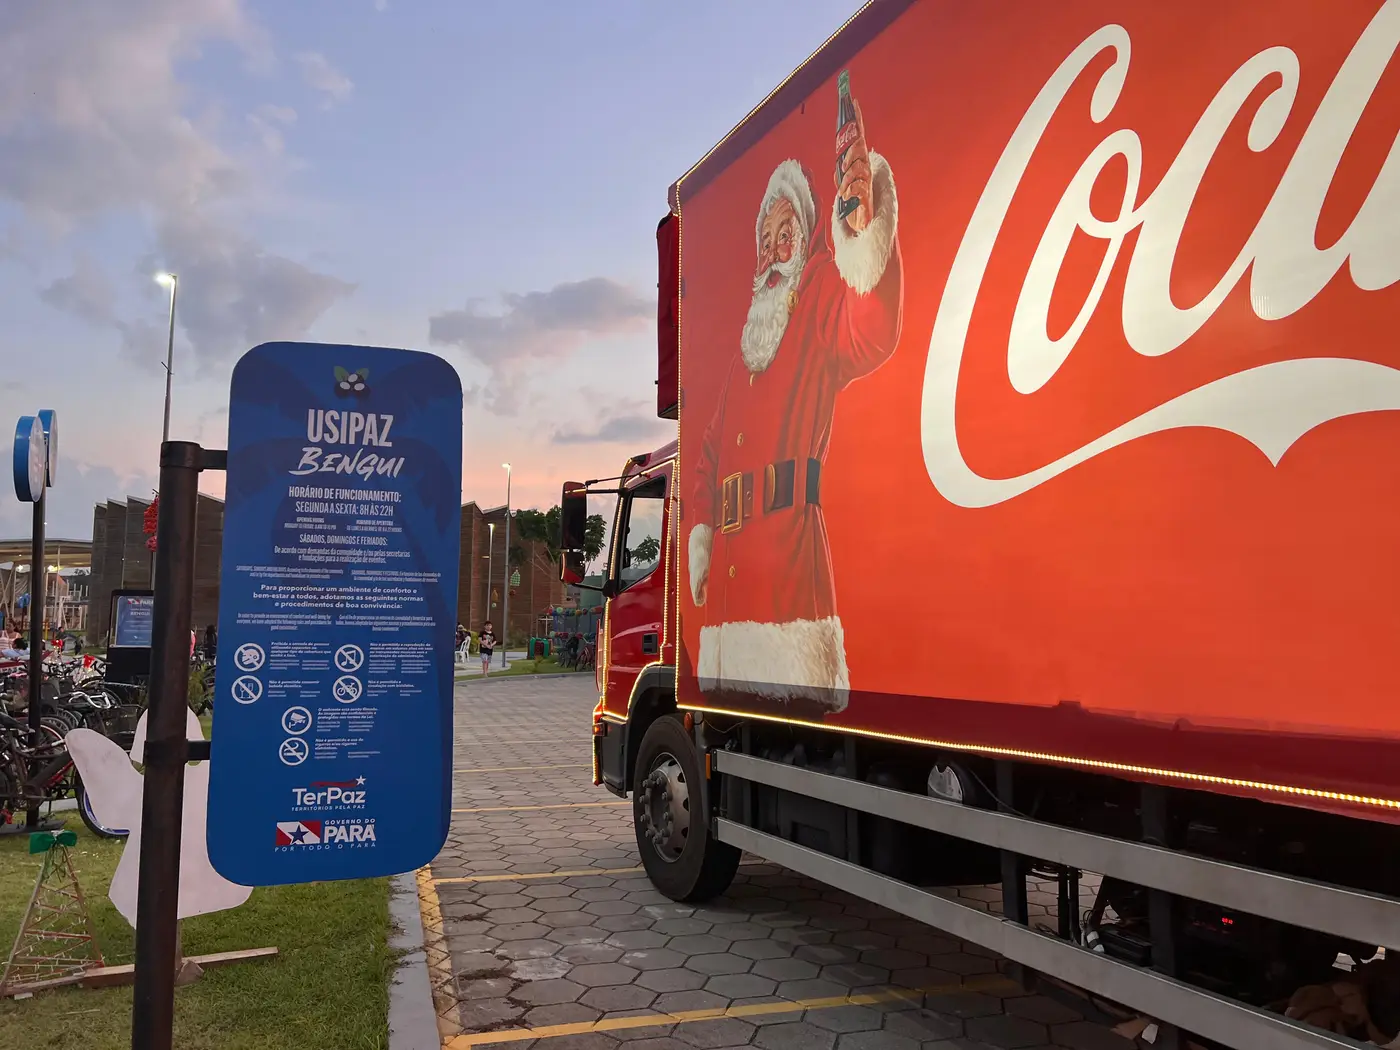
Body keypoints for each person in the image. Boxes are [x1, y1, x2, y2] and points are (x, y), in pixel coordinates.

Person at [686, 88, 902, 719]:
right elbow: (708, 452)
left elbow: (870, 332)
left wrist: (861, 236)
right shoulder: (744, 352)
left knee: (796, 706)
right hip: (732, 584)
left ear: (805, 240)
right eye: (767, 237)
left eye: (787, 235)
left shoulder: (817, 294)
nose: (774, 249)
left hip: (789, 579)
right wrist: (701, 531)